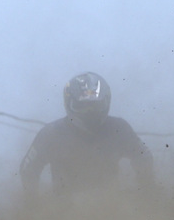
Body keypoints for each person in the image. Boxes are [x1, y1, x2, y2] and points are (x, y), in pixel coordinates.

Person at [19, 72, 154, 200]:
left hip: (112, 205)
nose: (89, 113)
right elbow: (28, 168)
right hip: (65, 209)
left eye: (95, 106)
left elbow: (143, 156)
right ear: (68, 103)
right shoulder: (51, 133)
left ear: (107, 102)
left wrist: (145, 189)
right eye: (82, 106)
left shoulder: (119, 128)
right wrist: (32, 201)